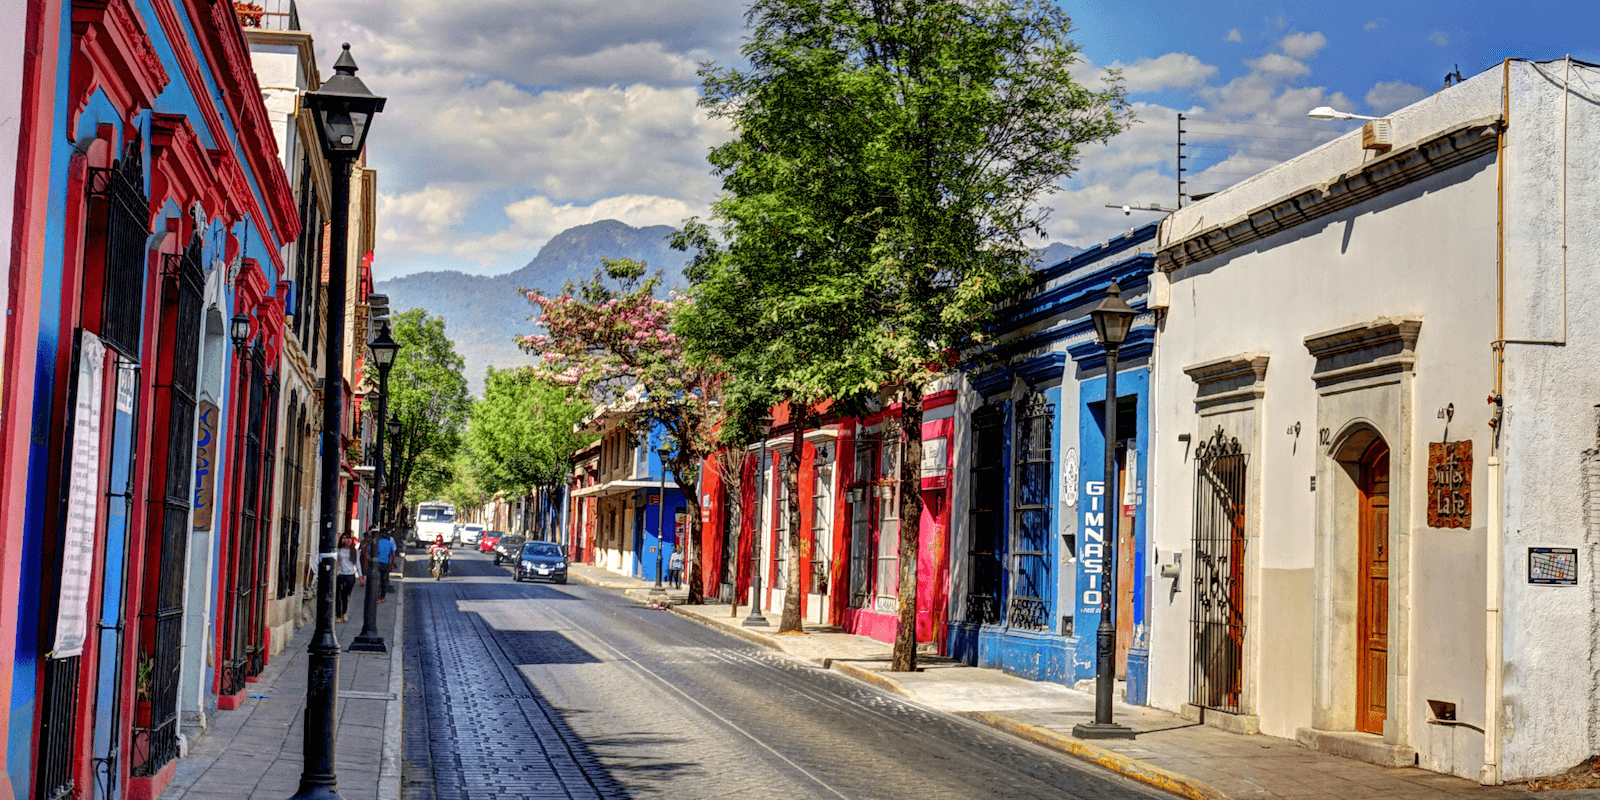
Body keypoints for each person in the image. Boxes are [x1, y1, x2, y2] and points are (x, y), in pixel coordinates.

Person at [335, 533, 361, 622]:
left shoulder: (354, 551)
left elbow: (357, 563)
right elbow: (335, 562)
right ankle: (338, 615)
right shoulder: (339, 551)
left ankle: (344, 613)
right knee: (338, 595)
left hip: (350, 575)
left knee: (345, 595)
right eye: (346, 538)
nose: (348, 540)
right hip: (340, 574)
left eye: (350, 538)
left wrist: (360, 575)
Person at [375, 533, 396, 600]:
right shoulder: (389, 543)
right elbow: (393, 555)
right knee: (384, 580)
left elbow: (369, 551)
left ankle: (376, 595)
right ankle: (382, 596)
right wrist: (392, 565)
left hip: (377, 564)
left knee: (377, 580)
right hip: (386, 564)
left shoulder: (376, 542)